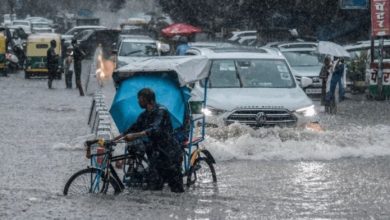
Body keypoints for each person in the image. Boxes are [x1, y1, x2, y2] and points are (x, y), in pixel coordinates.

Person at [114, 88, 184, 193]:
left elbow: (155, 129)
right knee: (154, 189)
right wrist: (114, 139)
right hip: (156, 156)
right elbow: (133, 128)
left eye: (140, 99)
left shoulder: (161, 111)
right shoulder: (144, 115)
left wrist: (135, 135)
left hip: (170, 155)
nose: (138, 101)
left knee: (176, 190)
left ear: (148, 100)